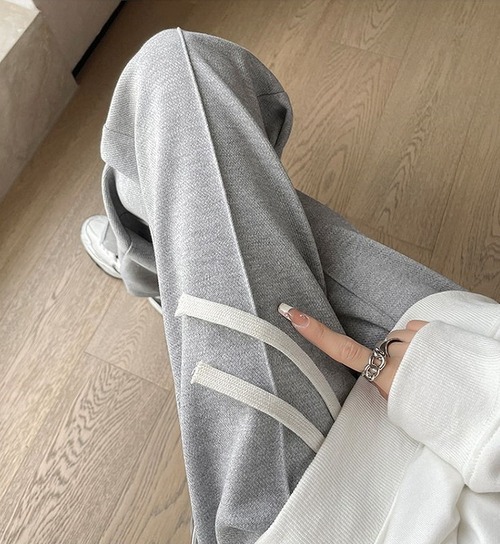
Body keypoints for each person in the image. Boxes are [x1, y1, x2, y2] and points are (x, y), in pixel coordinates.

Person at [81, 28, 500, 544]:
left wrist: (450, 393)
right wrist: (460, 389)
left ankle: (152, 257)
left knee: (178, 75)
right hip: (472, 364)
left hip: (329, 513)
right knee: (207, 154)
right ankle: (160, 260)